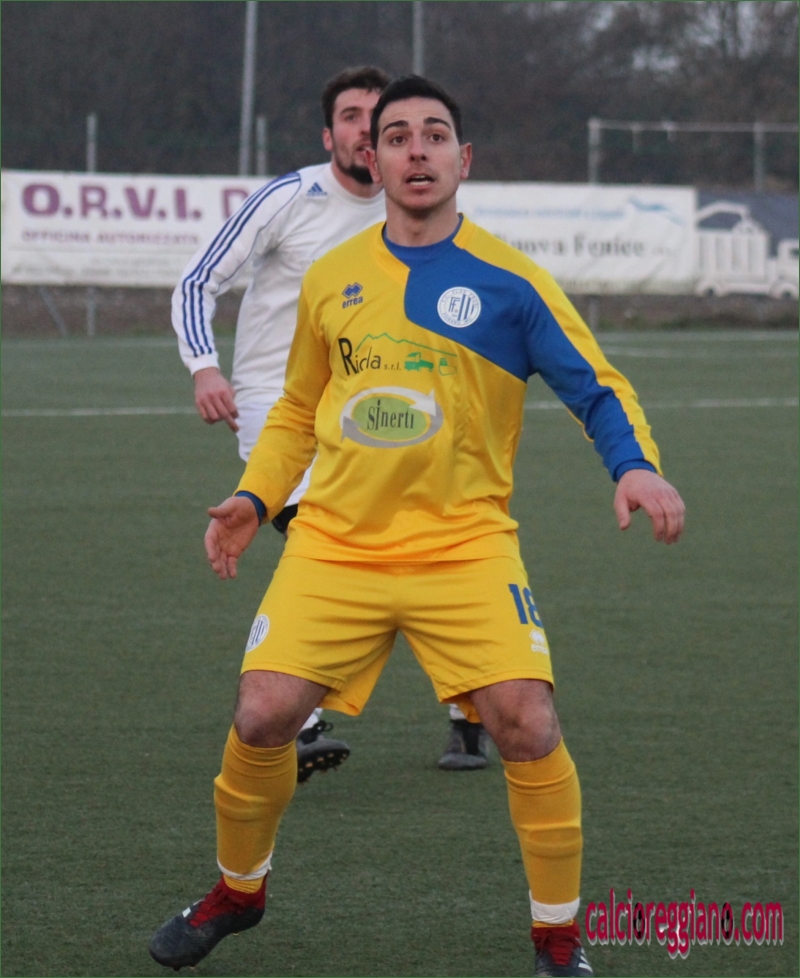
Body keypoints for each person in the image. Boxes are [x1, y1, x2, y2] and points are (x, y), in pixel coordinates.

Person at [150, 76, 685, 976]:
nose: (416, 150)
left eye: (435, 135)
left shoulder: (512, 281)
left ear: (462, 159)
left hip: (463, 546)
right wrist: (253, 498)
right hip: (335, 542)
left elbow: (596, 386)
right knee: (262, 714)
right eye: (396, 136)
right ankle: (239, 893)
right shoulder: (333, 276)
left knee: (527, 724)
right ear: (373, 157)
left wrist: (633, 464)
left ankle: (558, 939)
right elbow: (296, 411)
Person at [172, 64, 490, 778]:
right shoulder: (290, 199)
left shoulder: (415, 211)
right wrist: (204, 366)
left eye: (378, 120)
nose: (365, 131)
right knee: (323, 539)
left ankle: (468, 716)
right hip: (278, 408)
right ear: (330, 135)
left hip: (384, 410)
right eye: (351, 117)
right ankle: (301, 718)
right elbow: (198, 279)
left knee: (423, 546)